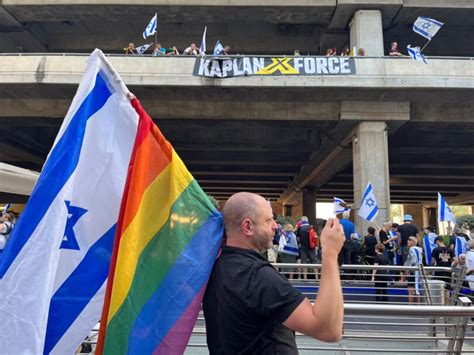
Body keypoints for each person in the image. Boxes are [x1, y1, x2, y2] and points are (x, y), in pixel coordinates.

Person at [203, 192, 344, 353]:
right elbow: (328, 330)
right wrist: (331, 253)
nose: (275, 226)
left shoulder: (214, 266)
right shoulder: (259, 277)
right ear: (247, 227)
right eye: (268, 220)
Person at [431, 236, 456, 303]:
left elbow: (433, 262)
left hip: (439, 271)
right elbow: (455, 260)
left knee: (439, 288)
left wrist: (431, 269)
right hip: (447, 271)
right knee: (447, 289)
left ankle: (440, 304)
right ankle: (447, 306)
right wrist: (451, 266)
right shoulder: (450, 250)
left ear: (437, 241)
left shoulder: (435, 250)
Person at [404, 236, 423, 304]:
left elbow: (413, 261)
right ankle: (419, 306)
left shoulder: (412, 249)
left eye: (409, 240)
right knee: (417, 288)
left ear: (413, 241)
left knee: (410, 288)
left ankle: (410, 306)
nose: (407, 241)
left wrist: (407, 268)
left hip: (413, 272)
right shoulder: (419, 249)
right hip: (419, 271)